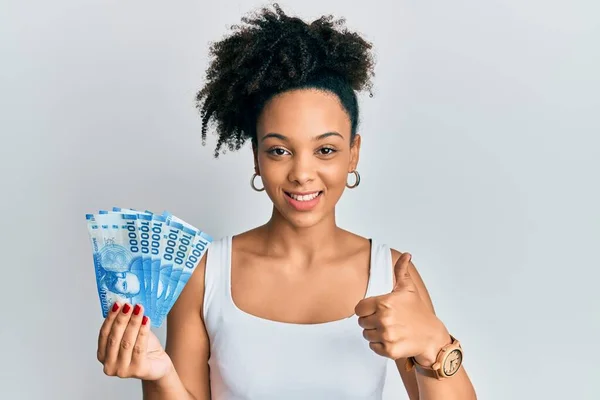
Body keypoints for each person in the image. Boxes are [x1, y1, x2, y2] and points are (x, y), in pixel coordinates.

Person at [95, 4, 477, 399]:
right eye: (280, 151)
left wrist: (435, 344)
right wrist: (158, 376)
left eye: (325, 150)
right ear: (257, 157)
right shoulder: (204, 275)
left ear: (353, 154)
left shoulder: (392, 274)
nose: (302, 173)